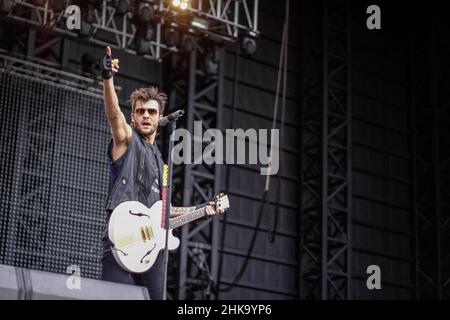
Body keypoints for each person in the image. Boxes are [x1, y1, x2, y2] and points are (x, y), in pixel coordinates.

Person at [100, 46, 217, 299]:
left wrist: (201, 208)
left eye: (151, 112)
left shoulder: (163, 163)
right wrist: (108, 79)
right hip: (122, 238)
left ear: (159, 117)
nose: (145, 115)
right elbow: (113, 114)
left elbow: (163, 209)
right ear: (133, 117)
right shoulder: (127, 140)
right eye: (140, 111)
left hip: (153, 247)